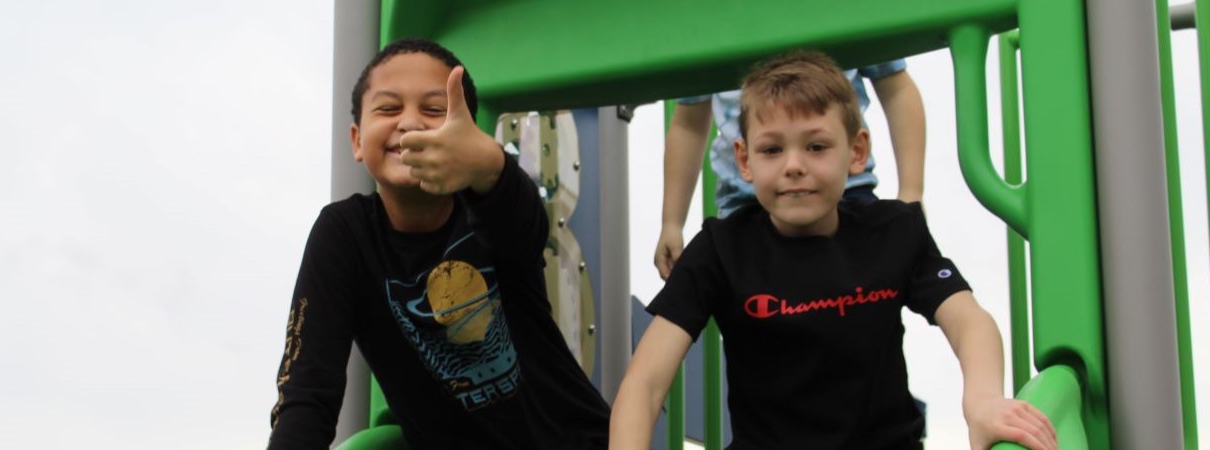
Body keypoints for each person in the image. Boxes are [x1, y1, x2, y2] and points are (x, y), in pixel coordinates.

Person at [610, 51, 1057, 450]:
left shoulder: (893, 232)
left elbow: (969, 321)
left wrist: (981, 400)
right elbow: (645, 382)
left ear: (856, 151)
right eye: (772, 149)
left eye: (817, 146)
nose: (794, 165)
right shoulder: (722, 250)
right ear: (744, 161)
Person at [267, 37, 610, 450]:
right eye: (389, 108)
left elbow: (524, 225)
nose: (409, 123)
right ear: (357, 140)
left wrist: (488, 165)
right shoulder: (344, 235)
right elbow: (307, 394)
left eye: (433, 110)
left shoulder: (488, 209)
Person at [655, 58, 926, 280]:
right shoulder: (708, 16)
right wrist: (672, 222)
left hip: (844, 193)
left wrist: (911, 191)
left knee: (855, 306)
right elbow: (689, 124)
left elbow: (896, 87)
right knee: (756, 317)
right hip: (744, 204)